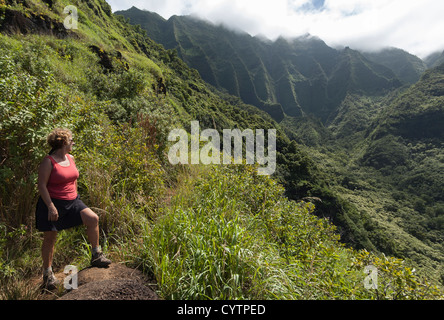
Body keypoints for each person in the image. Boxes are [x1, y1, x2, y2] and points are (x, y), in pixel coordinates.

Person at [36, 128, 111, 290]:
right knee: (50, 238)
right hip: (52, 203)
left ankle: (96, 255)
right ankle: (47, 275)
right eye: (71, 140)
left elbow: (73, 179)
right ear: (63, 143)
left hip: (72, 201)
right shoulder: (48, 161)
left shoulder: (71, 157)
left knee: (93, 218)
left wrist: (76, 199)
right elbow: (41, 185)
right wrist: (50, 206)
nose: (73, 143)